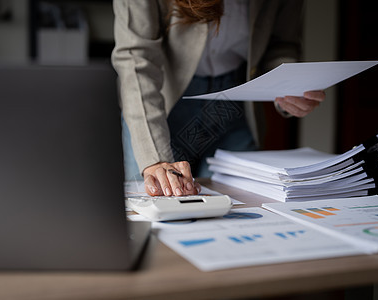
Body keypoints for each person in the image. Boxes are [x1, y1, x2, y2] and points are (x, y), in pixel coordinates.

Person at [111, 0, 325, 197]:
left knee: (241, 208)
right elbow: (136, 60)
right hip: (161, 105)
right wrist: (154, 157)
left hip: (235, 103)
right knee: (153, 209)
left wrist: (289, 85)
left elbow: (281, 43)